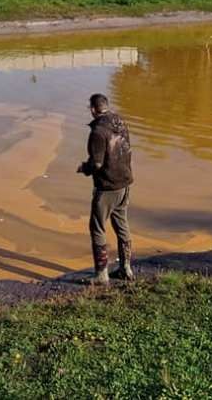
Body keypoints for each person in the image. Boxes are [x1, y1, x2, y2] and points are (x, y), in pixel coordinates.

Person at [77, 93, 134, 285]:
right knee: (121, 224)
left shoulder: (97, 132)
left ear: (93, 109)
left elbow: (97, 164)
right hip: (125, 183)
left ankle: (101, 275)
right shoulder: (120, 121)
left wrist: (84, 168)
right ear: (106, 106)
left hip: (107, 187)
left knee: (97, 227)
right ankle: (126, 269)